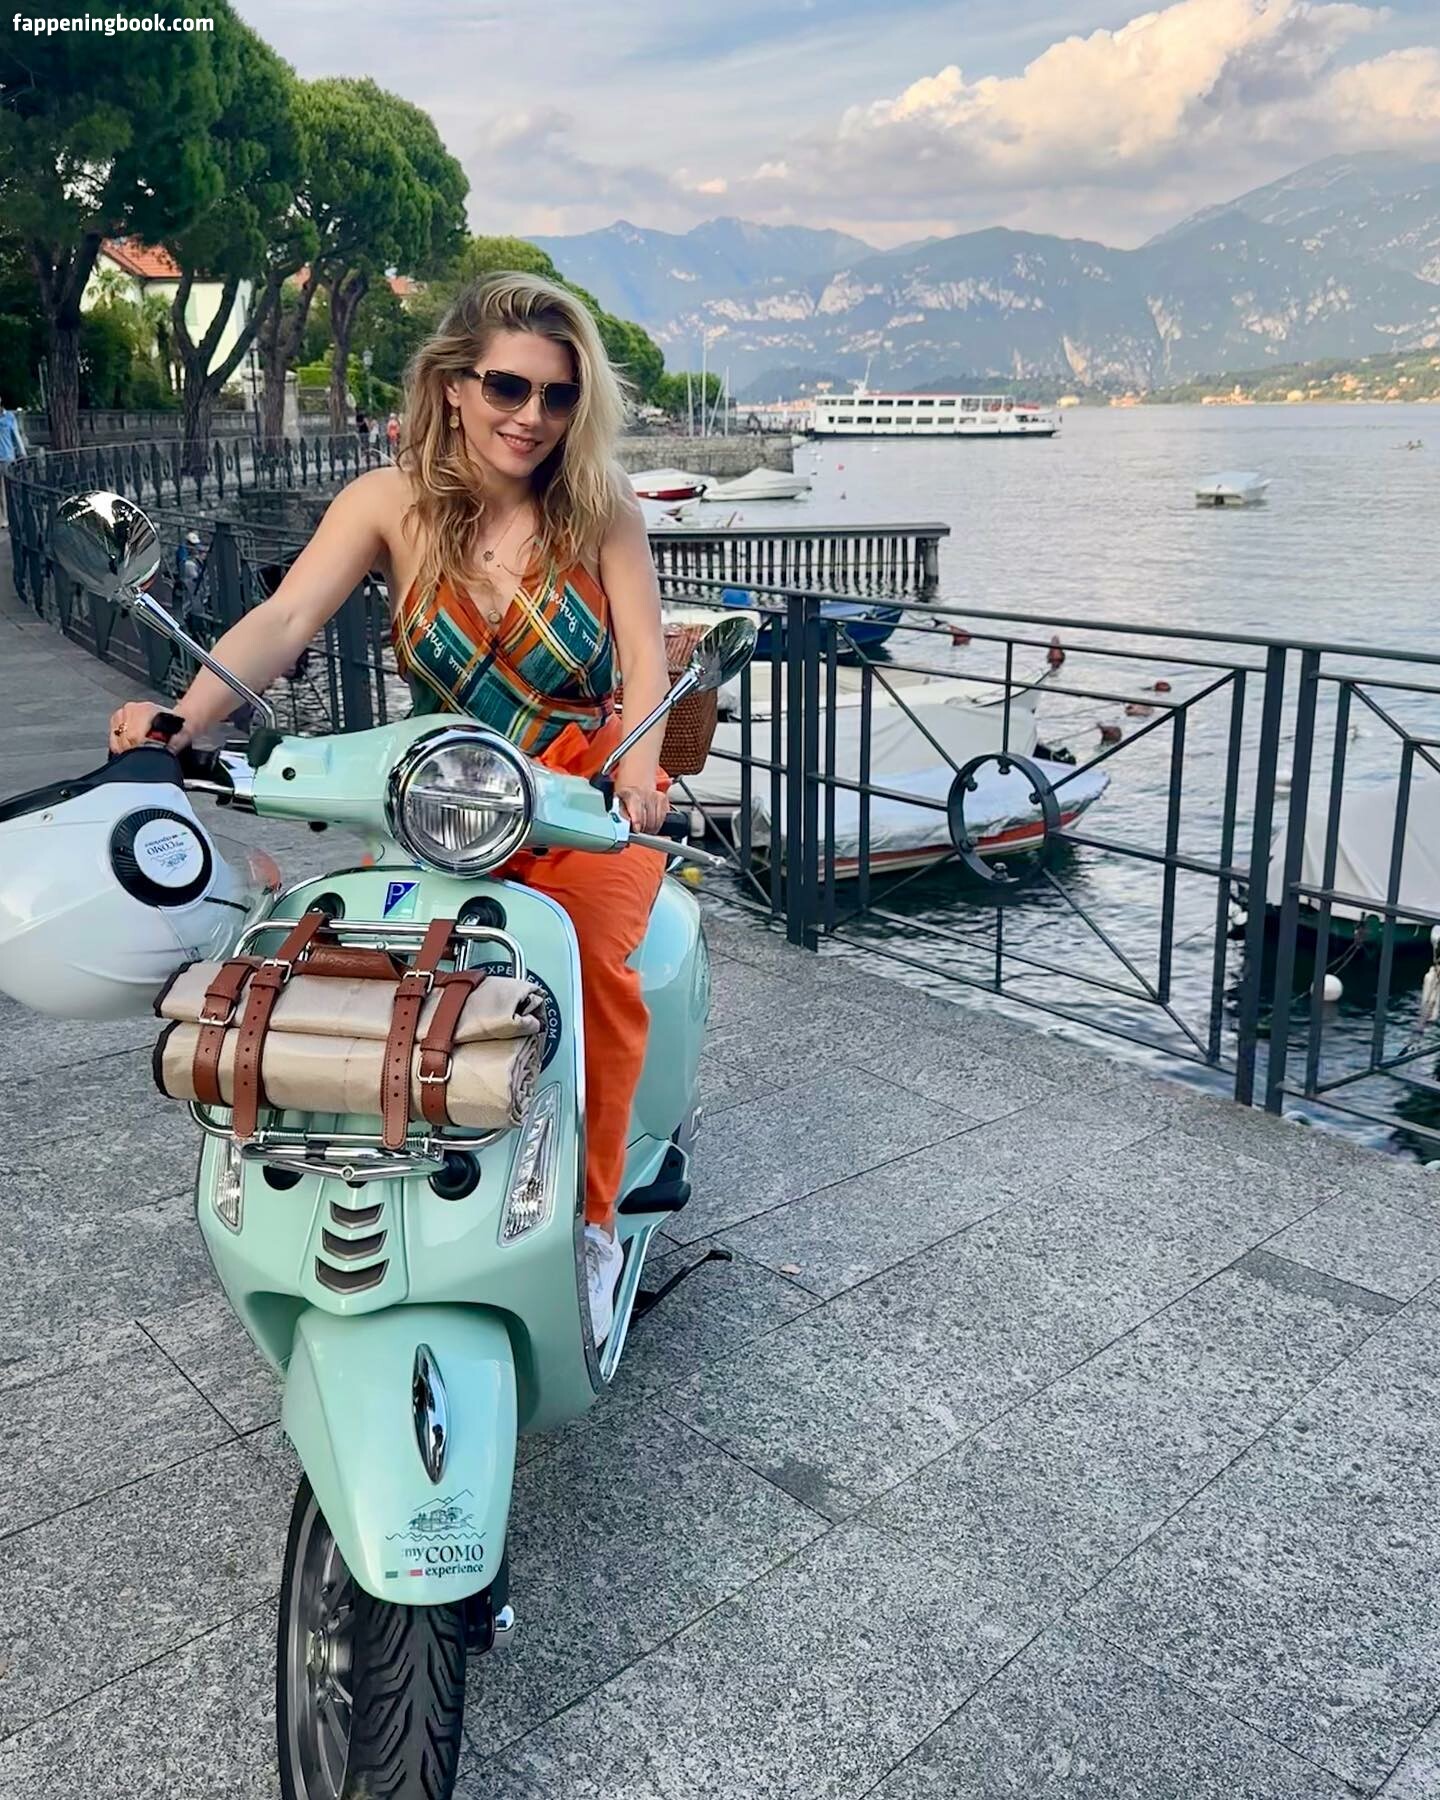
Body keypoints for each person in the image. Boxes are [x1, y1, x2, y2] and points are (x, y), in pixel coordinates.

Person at [106, 273, 673, 1343]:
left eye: (558, 396)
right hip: (440, 792)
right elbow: (285, 620)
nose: (532, 416)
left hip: (578, 785)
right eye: (508, 386)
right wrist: (186, 717)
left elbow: (645, 658)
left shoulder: (600, 508)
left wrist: (639, 774)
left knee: (590, 970)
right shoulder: (387, 503)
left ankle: (592, 1222)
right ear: (454, 383)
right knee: (360, 966)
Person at [0, 399, 29, 530]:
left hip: (7, 457)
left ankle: (13, 516)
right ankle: (3, 518)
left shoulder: (9, 417)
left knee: (8, 489)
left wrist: (22, 453)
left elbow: (16, 436)